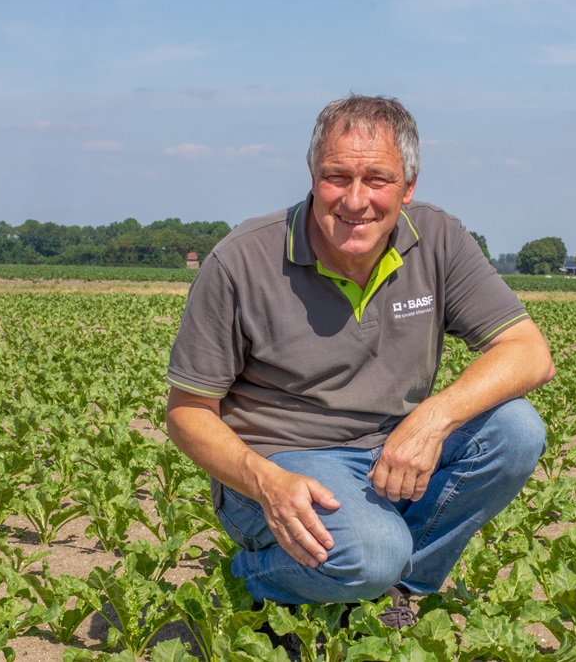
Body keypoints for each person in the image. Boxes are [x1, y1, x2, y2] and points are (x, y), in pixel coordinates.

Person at [165, 94, 554, 626]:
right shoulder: (241, 260)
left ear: (408, 187)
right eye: (336, 177)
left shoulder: (437, 238)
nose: (354, 200)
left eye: (377, 179)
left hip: (388, 452)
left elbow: (529, 352)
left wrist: (432, 418)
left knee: (516, 430)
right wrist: (264, 482)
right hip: (280, 464)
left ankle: (393, 586)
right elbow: (187, 413)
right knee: (369, 550)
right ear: (311, 175)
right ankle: (245, 582)